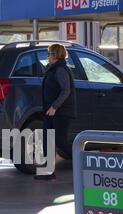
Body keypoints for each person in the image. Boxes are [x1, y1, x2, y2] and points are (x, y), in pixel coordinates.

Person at [35, 44, 77, 181]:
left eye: (49, 54)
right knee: (47, 141)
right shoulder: (52, 69)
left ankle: (82, 161)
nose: (47, 56)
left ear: (55, 55)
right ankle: (48, 172)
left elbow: (66, 90)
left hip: (61, 112)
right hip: (50, 111)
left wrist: (55, 106)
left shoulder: (61, 70)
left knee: (60, 141)